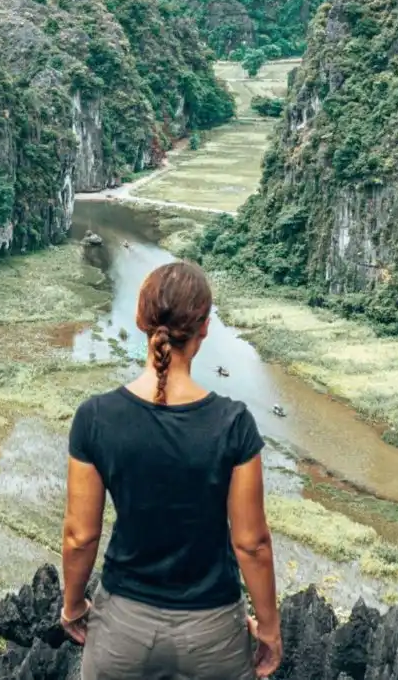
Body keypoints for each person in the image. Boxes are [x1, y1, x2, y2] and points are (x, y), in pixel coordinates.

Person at [60, 260, 281, 679]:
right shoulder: (233, 423)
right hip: (213, 631)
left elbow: (80, 535)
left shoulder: (95, 418)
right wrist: (268, 630)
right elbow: (252, 544)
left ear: (141, 321)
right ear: (204, 329)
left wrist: (73, 606)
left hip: (123, 628)